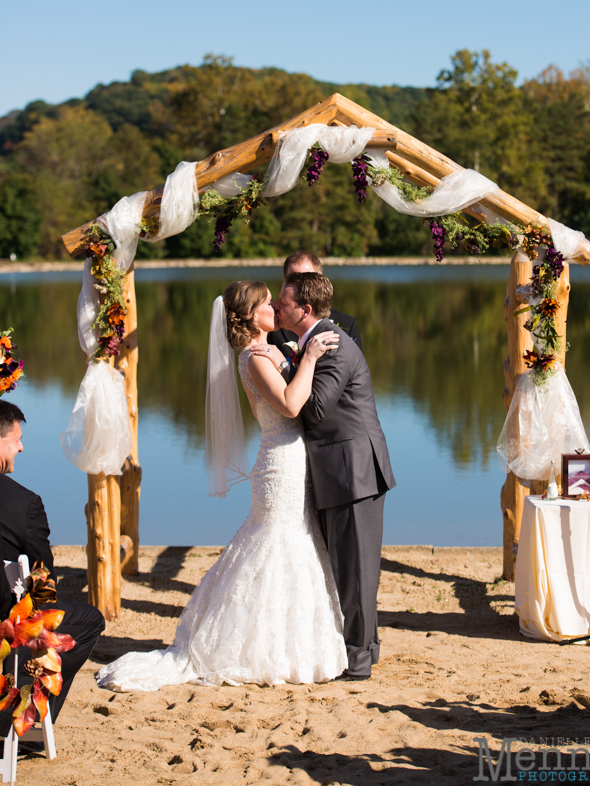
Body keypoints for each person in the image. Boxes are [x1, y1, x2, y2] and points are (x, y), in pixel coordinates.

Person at [97, 281, 348, 691]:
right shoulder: (253, 357)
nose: (275, 307)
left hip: (290, 456)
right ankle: (253, 648)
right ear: (250, 315)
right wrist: (312, 357)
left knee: (290, 541)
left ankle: (287, 641)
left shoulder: (271, 350)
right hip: (280, 463)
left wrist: (296, 356)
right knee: (276, 543)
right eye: (268, 302)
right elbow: (289, 405)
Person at [266, 272, 396, 681]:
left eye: (282, 303)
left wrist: (292, 371)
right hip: (341, 470)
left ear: (304, 310)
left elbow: (317, 409)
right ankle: (364, 649)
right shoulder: (313, 344)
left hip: (354, 471)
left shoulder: (332, 347)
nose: (276, 309)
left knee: (356, 571)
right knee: (350, 568)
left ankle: (359, 659)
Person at [0, 400, 105, 731]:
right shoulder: (24, 505)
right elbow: (44, 583)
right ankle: (21, 714)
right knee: (89, 620)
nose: (21, 446)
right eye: (15, 439)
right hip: (6, 628)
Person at [268, 250, 362, 358]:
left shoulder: (347, 324)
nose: (302, 286)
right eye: (293, 279)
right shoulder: (273, 327)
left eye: (307, 278)